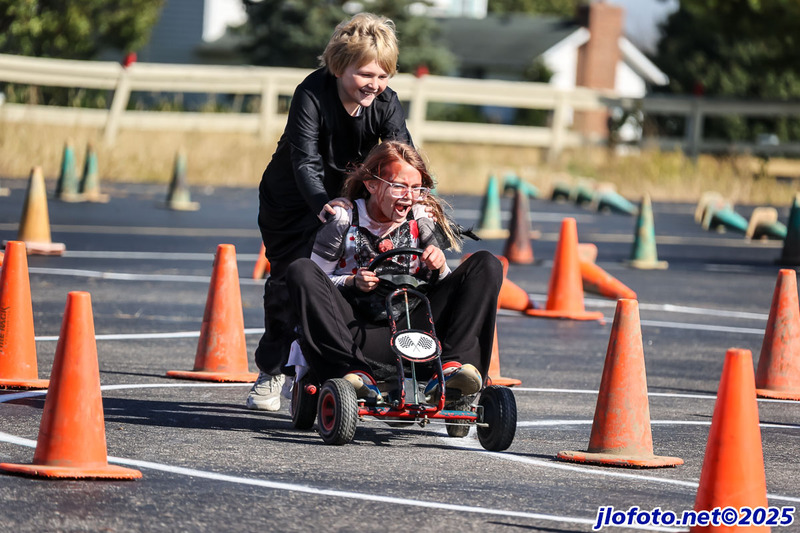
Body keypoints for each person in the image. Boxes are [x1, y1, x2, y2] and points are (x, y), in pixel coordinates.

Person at [247, 13, 414, 411]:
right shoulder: (311, 93)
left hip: (343, 199)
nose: (374, 84)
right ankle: (272, 369)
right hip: (291, 201)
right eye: (365, 74)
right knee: (290, 281)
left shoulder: (385, 103)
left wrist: (419, 198)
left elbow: (402, 155)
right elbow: (305, 161)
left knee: (347, 282)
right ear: (340, 67)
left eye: (383, 75)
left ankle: (320, 368)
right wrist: (324, 202)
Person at [285, 141, 502, 405]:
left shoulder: (422, 218)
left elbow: (448, 287)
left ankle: (453, 368)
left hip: (416, 332)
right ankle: (352, 373)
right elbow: (316, 280)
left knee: (487, 264)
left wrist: (440, 266)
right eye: (399, 186)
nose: (409, 196)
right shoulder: (344, 219)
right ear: (372, 185)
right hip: (358, 333)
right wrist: (352, 281)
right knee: (300, 270)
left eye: (416, 188)